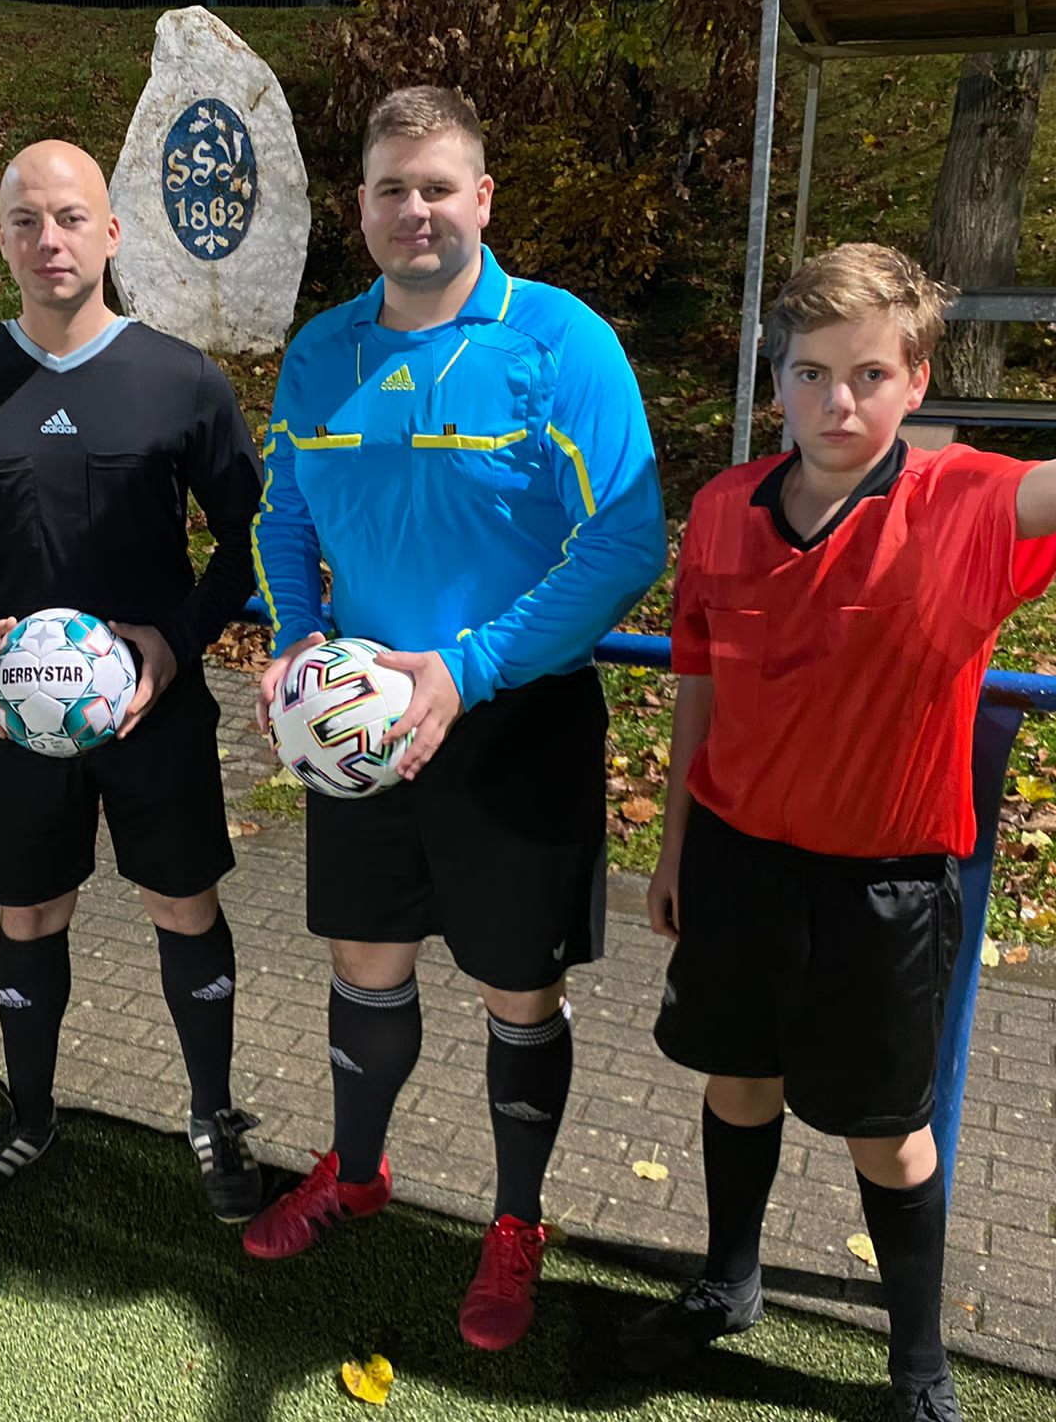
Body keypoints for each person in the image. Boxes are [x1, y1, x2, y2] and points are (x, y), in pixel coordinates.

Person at [620, 232, 1056, 1420]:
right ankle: (726, 1283)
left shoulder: (958, 502)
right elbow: (699, 683)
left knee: (886, 1138)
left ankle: (916, 1366)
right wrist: (674, 845)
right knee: (735, 1083)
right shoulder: (718, 512)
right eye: (809, 372)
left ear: (913, 384)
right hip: (739, 866)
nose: (836, 400)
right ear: (776, 378)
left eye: (868, 375)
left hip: (884, 889)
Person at [244, 85, 667, 1350]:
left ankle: (513, 1223)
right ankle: (357, 1173)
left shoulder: (559, 340)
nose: (413, 210)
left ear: (482, 198)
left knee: (512, 991)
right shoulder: (322, 351)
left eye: (437, 186)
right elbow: (283, 518)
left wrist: (468, 665)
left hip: (512, 724)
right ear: (358, 205)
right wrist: (294, 634)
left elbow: (624, 541)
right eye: (389, 188)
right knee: (363, 963)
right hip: (359, 727)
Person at [0, 140, 267, 1221]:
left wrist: (174, 641)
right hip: (19, 716)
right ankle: (27, 1114)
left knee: (180, 902)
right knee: (28, 911)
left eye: (68, 217)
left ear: (110, 233)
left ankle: (211, 1113)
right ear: (1, 239)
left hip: (154, 712)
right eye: (24, 220)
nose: (47, 239)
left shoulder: (181, 378)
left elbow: (247, 541)